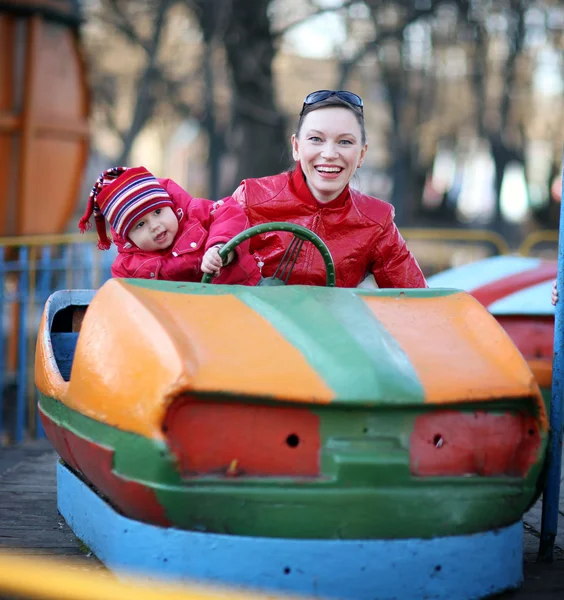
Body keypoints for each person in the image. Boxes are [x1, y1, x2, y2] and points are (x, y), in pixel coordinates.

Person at [232, 89, 427, 288]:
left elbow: (416, 298)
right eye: (316, 139)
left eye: (345, 142)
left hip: (332, 319)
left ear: (361, 154)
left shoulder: (376, 220)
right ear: (296, 147)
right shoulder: (251, 198)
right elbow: (205, 271)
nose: (329, 153)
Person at [78, 166, 260, 285]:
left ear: (170, 206)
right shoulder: (127, 268)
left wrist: (220, 248)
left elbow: (229, 214)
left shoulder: (195, 214)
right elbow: (128, 305)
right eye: (140, 224)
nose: (155, 226)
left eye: (158, 212)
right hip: (183, 322)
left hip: (240, 296)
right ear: (128, 238)